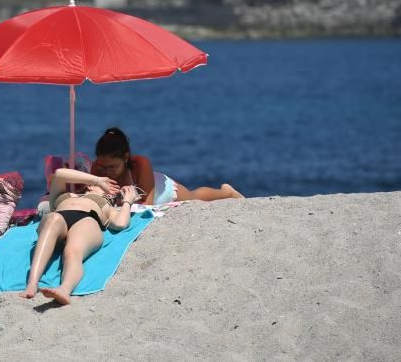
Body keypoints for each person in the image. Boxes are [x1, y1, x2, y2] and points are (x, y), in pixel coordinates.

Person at [20, 168, 137, 305]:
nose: (111, 188)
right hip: (59, 218)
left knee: (72, 251)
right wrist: (98, 180)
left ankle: (64, 289)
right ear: (89, 184)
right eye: (110, 184)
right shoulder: (64, 195)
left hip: (88, 220)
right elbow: (59, 174)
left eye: (114, 189)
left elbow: (121, 223)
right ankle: (32, 284)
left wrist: (127, 202)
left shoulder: (109, 206)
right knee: (53, 219)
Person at [91, 127, 244, 204]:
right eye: (103, 167)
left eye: (112, 167)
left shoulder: (140, 164)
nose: (107, 172)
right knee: (195, 196)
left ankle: (226, 192)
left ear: (125, 158)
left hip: (161, 192)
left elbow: (148, 204)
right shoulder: (96, 168)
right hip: (131, 203)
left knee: (194, 199)